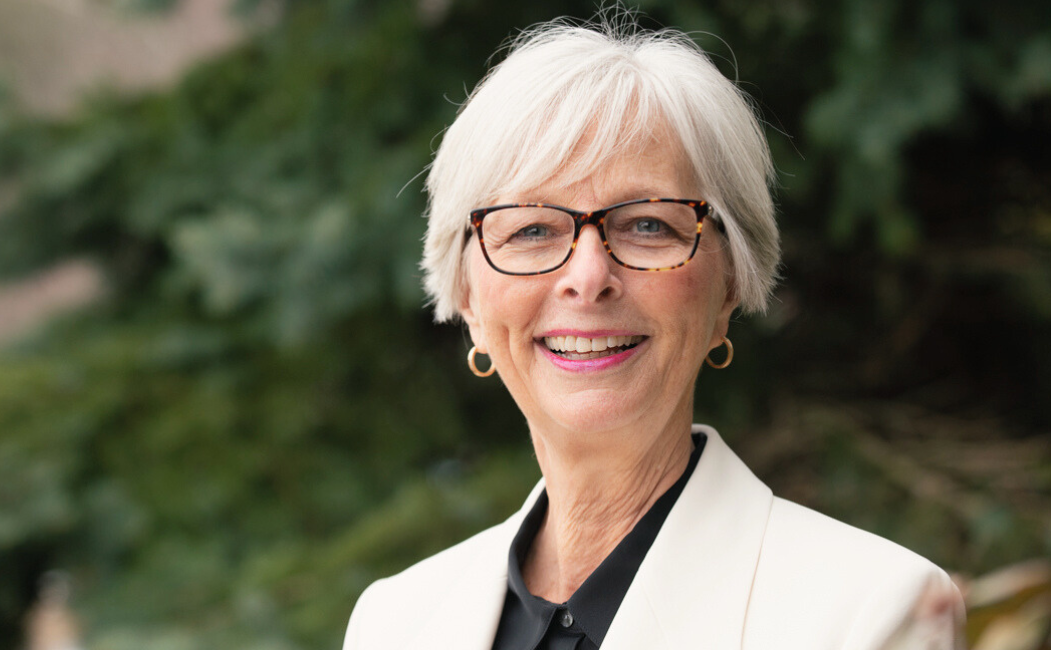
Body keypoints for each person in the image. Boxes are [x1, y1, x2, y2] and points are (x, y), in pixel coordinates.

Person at [344, 15, 964, 650]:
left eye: (647, 225)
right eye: (531, 229)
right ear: (469, 296)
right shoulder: (394, 621)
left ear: (729, 286)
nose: (588, 277)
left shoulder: (871, 612)